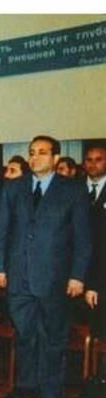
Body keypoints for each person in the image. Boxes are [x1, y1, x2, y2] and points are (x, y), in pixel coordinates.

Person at [0, 135, 91, 398]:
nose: (34, 157)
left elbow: (83, 238)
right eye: (32, 152)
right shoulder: (13, 187)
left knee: (53, 337)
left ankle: (50, 392)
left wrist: (78, 276)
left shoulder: (73, 190)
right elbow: (0, 230)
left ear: (56, 158)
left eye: (42, 152)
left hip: (55, 277)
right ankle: (25, 385)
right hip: (19, 276)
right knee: (24, 334)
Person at [84, 146, 106, 340]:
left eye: (98, 159)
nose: (93, 164)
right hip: (76, 271)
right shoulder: (73, 189)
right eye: (89, 159)